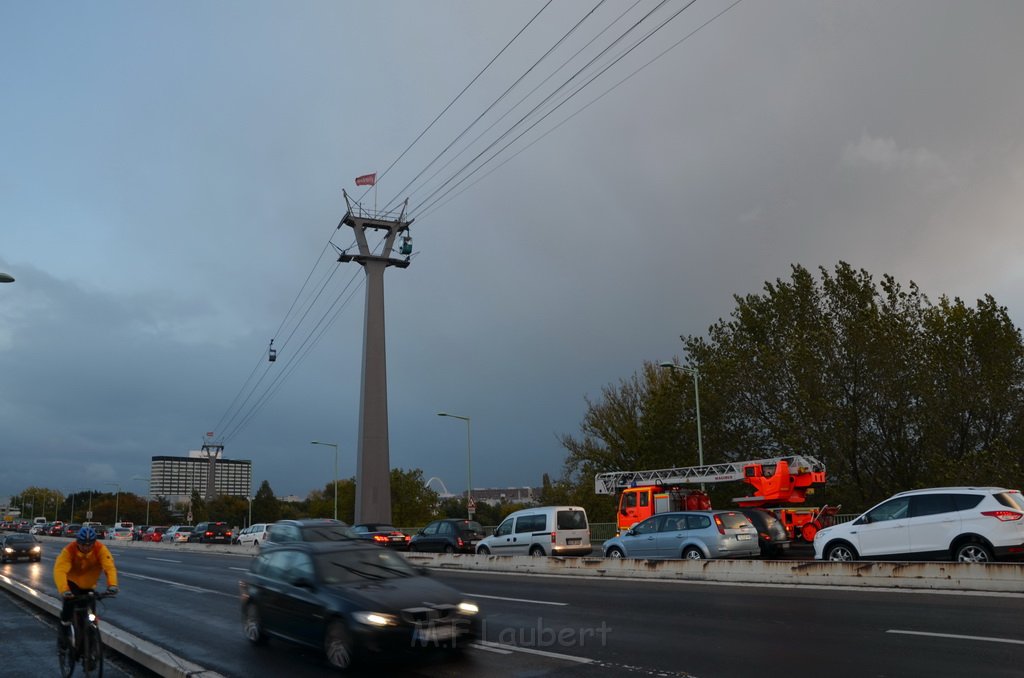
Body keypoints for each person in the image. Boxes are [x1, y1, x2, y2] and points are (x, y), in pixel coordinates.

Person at [53, 525, 119, 648]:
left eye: (89, 544)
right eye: (83, 544)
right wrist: (64, 590)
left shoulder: (100, 549)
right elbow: (60, 570)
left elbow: (109, 567)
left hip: (89, 585)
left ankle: (91, 644)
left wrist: (112, 585)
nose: (86, 547)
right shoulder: (69, 550)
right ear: (78, 542)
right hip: (72, 583)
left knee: (91, 615)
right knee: (68, 608)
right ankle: (64, 632)